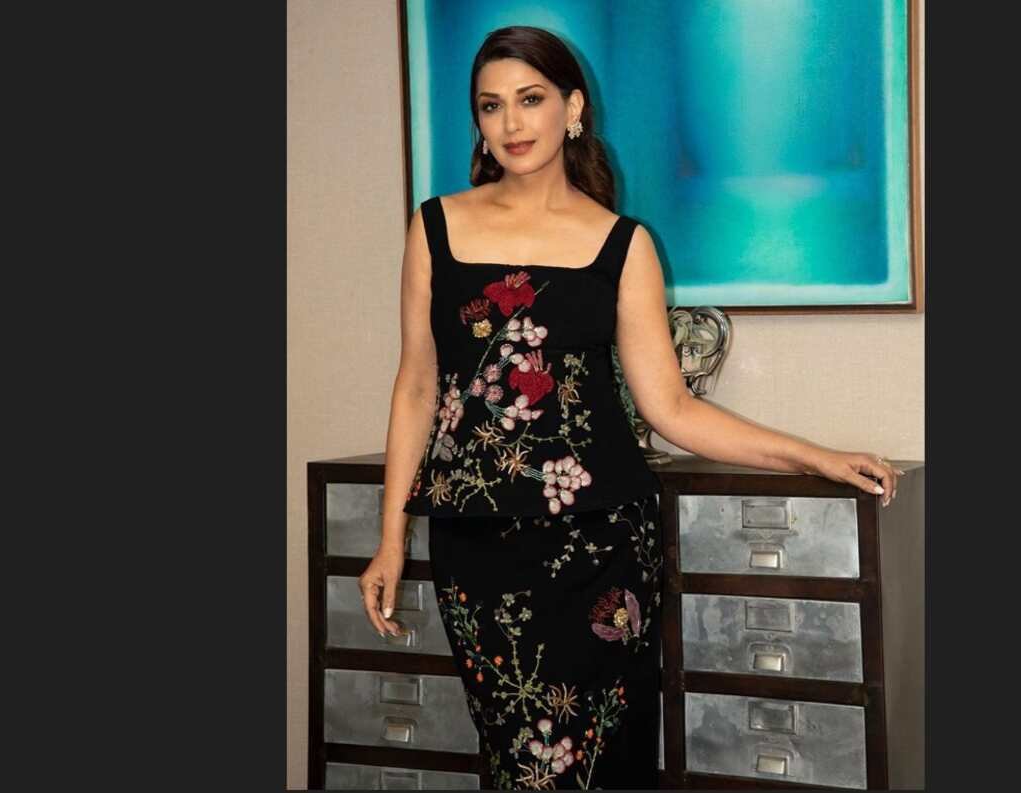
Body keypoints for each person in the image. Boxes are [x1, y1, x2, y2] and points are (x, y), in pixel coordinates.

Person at [357, 25, 902, 790]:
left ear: (573, 108)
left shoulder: (622, 244)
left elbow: (672, 408)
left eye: (531, 99)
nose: (511, 122)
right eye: (491, 105)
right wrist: (390, 539)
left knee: (606, 760)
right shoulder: (435, 227)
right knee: (518, 763)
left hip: (600, 546)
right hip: (477, 548)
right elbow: (418, 384)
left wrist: (815, 455)